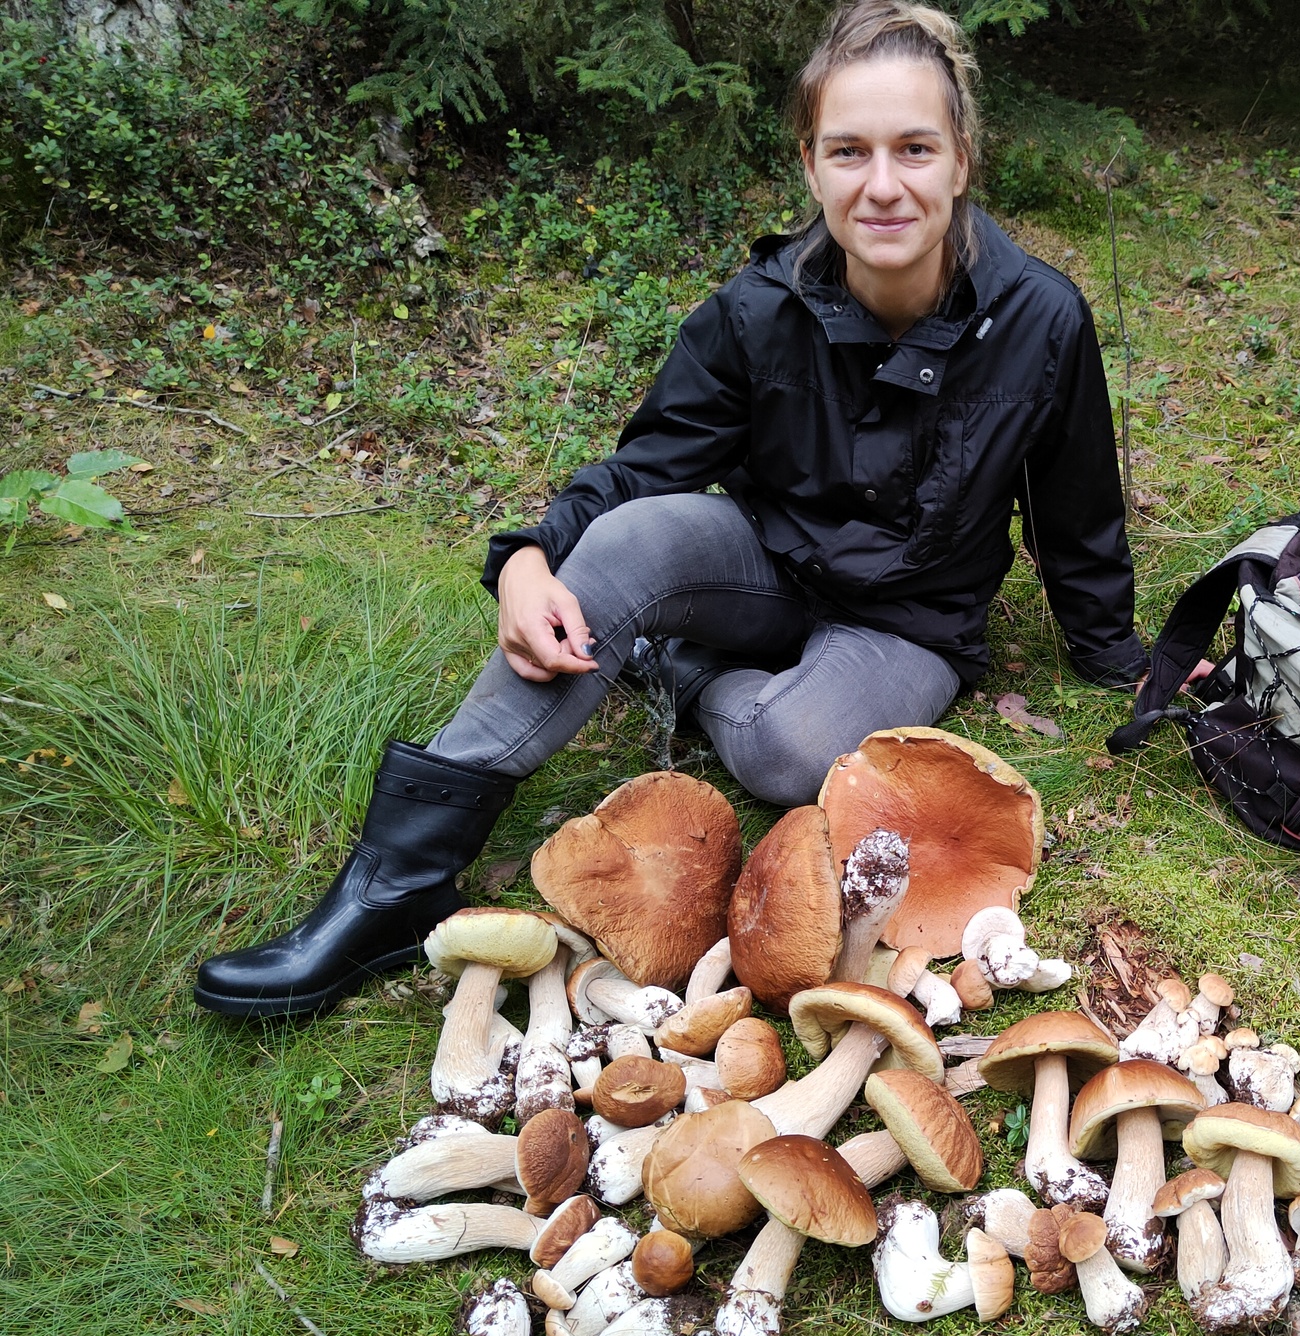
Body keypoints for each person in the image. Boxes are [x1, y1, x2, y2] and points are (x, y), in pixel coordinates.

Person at [193, 0, 1146, 1020]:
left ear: (960, 160)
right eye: (847, 150)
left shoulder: (1038, 317)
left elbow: (1075, 508)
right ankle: (396, 884)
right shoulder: (756, 310)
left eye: (913, 148)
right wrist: (525, 558)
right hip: (766, 568)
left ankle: (674, 674)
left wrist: (1115, 653)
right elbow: (647, 467)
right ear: (809, 164)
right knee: (632, 538)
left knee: (787, 752)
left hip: (905, 619)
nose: (881, 184)